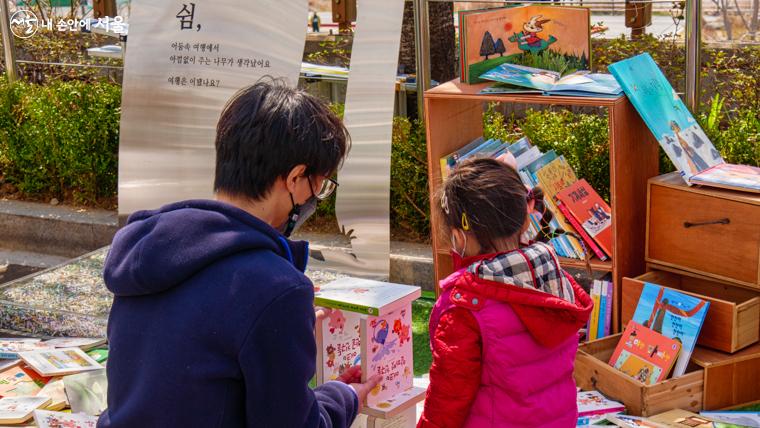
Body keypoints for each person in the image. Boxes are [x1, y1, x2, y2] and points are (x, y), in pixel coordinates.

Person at [99, 80, 379, 428]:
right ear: (294, 178)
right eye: (319, 185)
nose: (315, 197)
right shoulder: (276, 288)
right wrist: (342, 396)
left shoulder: (147, 248)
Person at [418, 158, 593, 428]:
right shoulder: (551, 275)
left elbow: (447, 400)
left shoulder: (465, 305)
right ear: (524, 218)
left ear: (460, 236)